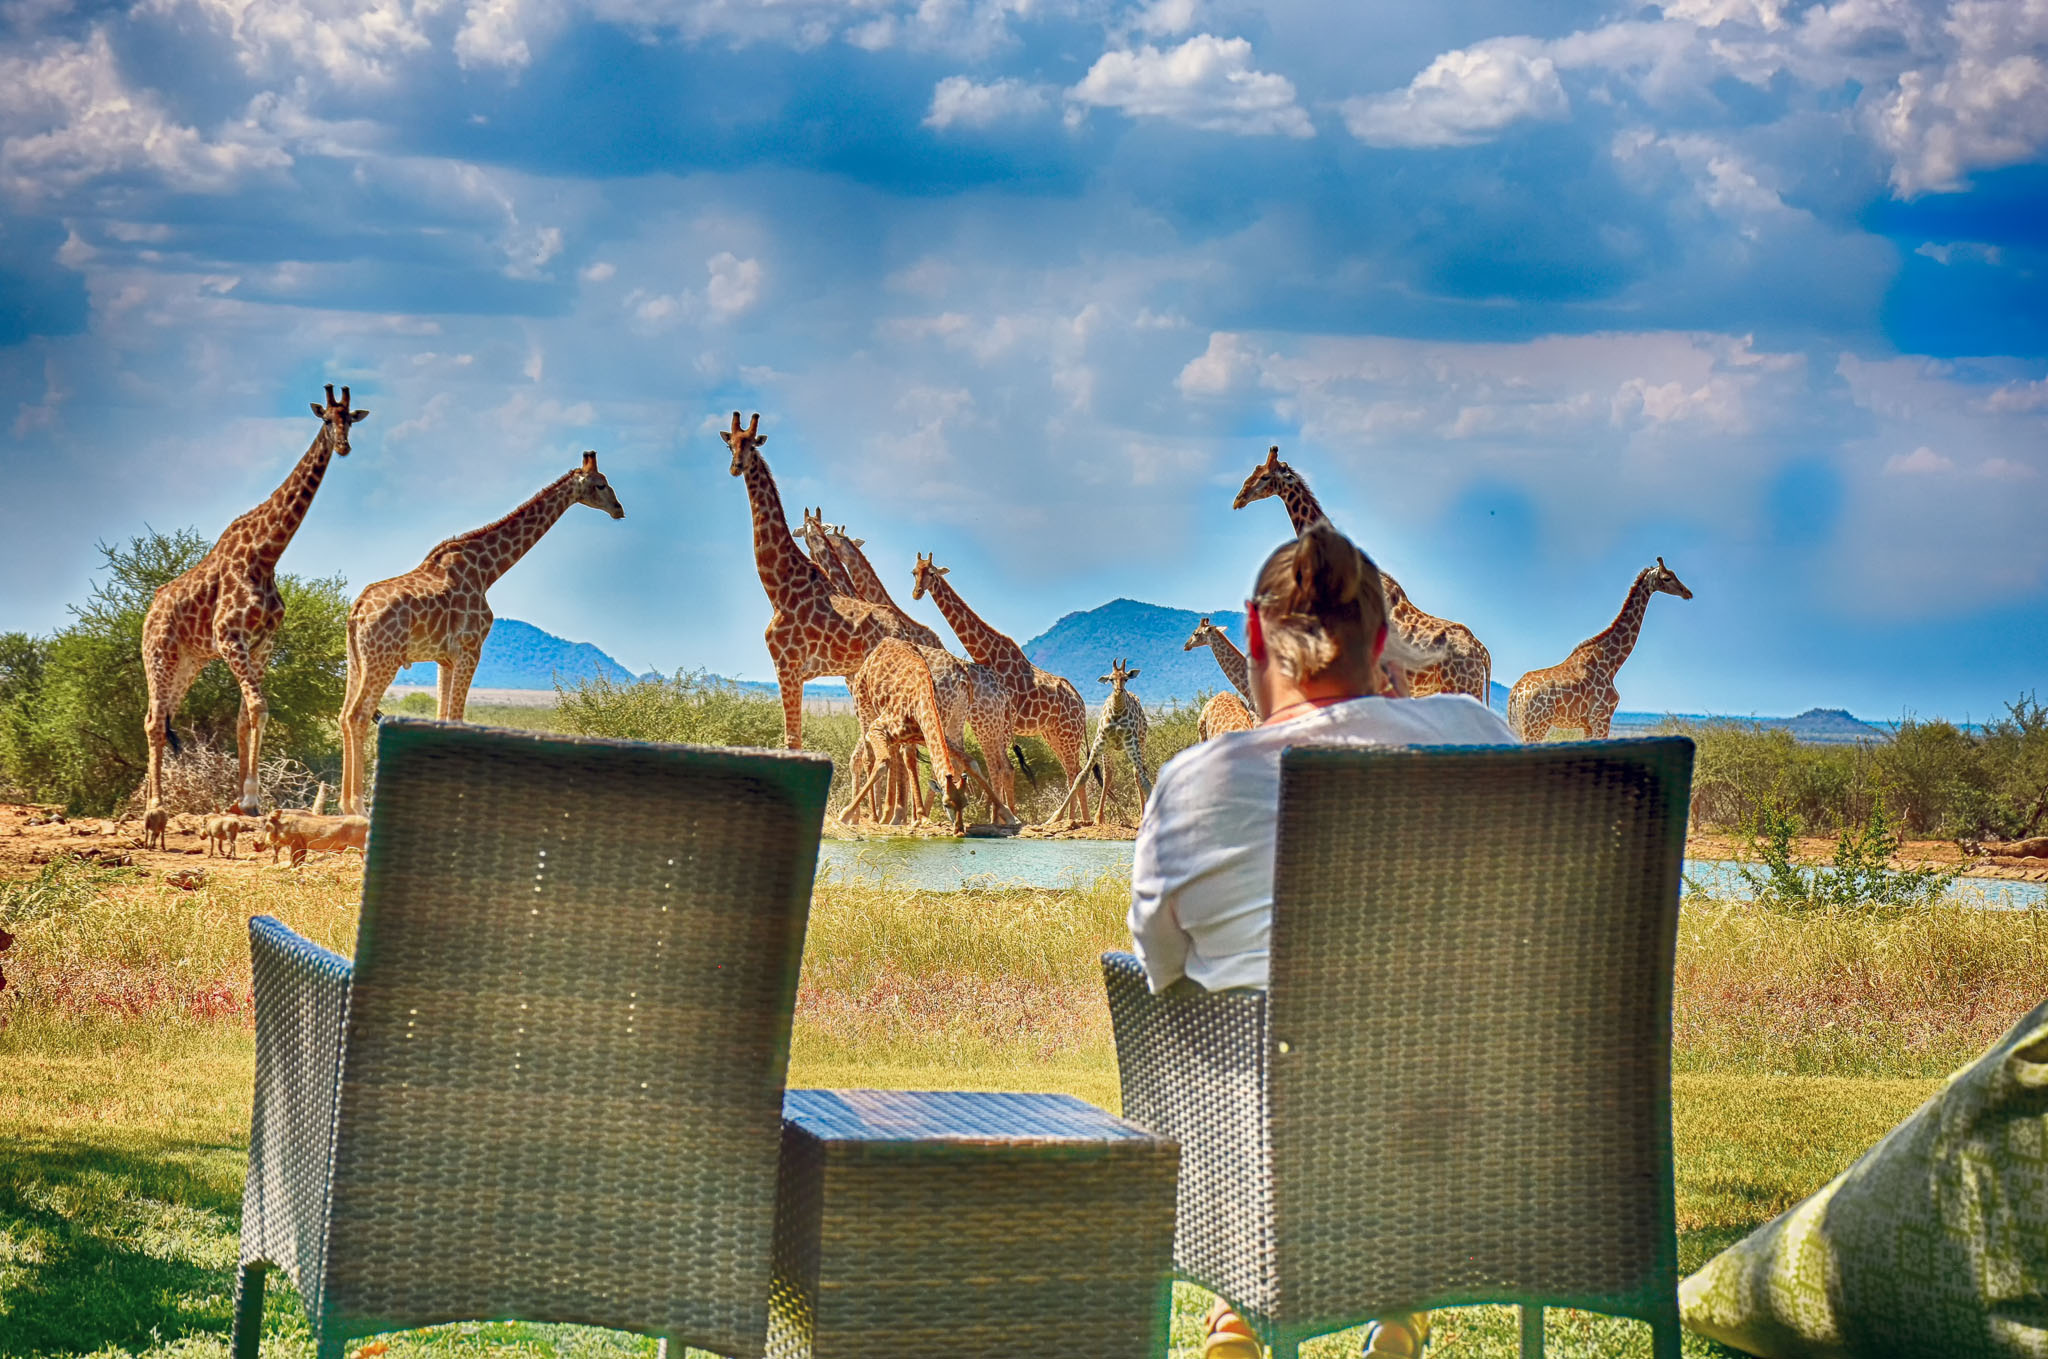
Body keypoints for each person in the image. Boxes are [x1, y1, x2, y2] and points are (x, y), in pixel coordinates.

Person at [1127, 520, 1516, 1359]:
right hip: (1465, 1138)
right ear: (1380, 643)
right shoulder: (1480, 735)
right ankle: (1402, 1297)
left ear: (1254, 634)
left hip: (1262, 1140)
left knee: (1196, 1004)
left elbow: (1157, 966)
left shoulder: (1197, 781)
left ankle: (1240, 1302)